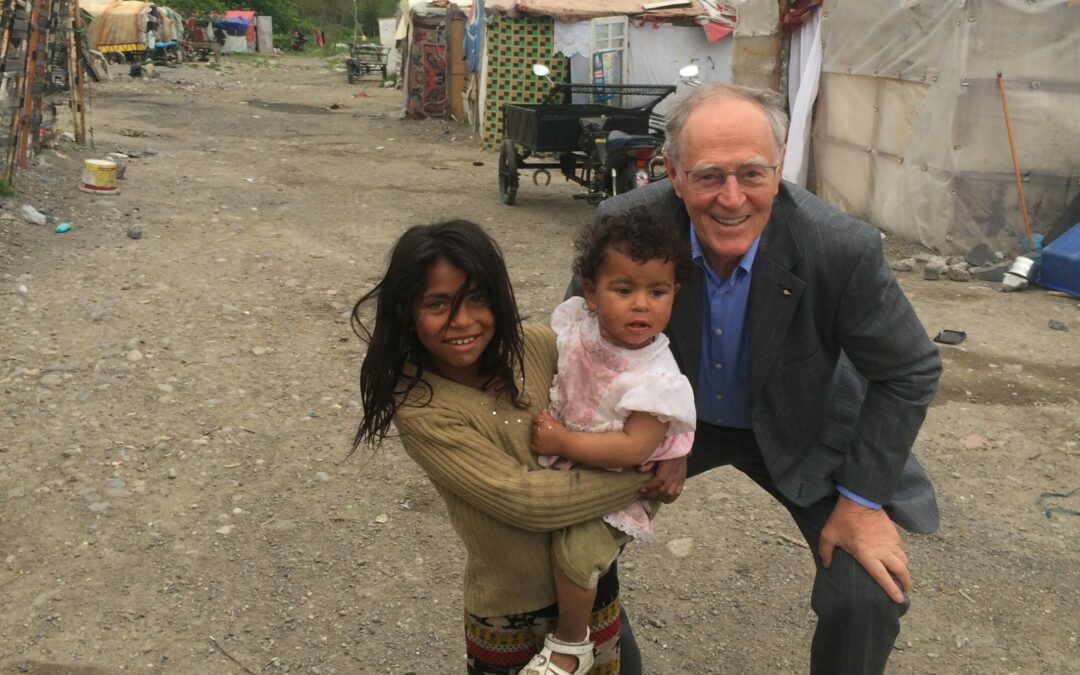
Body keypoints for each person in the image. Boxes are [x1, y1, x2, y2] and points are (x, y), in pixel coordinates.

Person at [593, 83, 943, 674]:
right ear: (672, 174)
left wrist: (861, 503)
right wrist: (649, 440)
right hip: (666, 422)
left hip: (804, 422)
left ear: (780, 169)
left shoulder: (838, 246)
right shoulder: (626, 229)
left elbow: (909, 368)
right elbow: (588, 346)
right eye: (708, 176)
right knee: (563, 542)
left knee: (867, 593)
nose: (732, 198)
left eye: (753, 174)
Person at [351, 219, 650, 674]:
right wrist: (645, 473)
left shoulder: (538, 345)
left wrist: (668, 445)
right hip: (511, 614)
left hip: (590, 584)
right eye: (438, 304)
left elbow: (632, 386)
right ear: (407, 313)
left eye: (477, 297)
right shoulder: (421, 408)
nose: (462, 321)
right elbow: (525, 500)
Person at [523, 210, 696, 675]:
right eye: (624, 290)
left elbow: (633, 448)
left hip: (620, 480)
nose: (641, 305)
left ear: (675, 293)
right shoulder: (579, 326)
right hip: (570, 457)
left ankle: (571, 643)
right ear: (591, 292)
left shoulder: (657, 377)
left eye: (657, 292)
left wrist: (563, 441)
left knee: (578, 551)